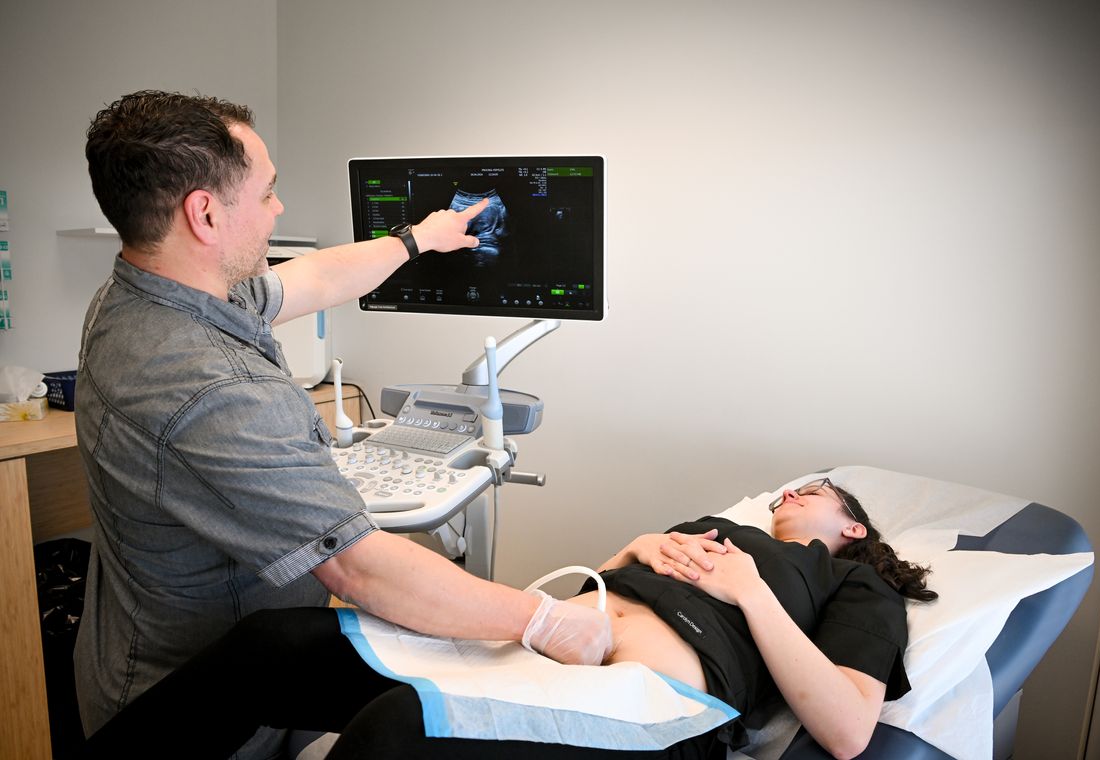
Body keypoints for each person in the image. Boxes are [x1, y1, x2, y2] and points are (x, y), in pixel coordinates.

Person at [73, 90, 611, 757]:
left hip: (178, 652)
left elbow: (316, 278)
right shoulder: (210, 386)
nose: (280, 209)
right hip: (192, 705)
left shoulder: (143, 289)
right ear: (205, 214)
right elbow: (361, 571)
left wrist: (418, 239)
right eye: (268, 192)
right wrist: (544, 619)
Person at [81, 478, 937, 760]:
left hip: (655, 706)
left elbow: (850, 726)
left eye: (816, 491)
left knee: (392, 731)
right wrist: (638, 548)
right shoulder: (721, 527)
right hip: (539, 645)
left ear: (853, 525)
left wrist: (751, 590)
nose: (794, 492)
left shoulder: (851, 584)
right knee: (272, 645)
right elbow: (601, 595)